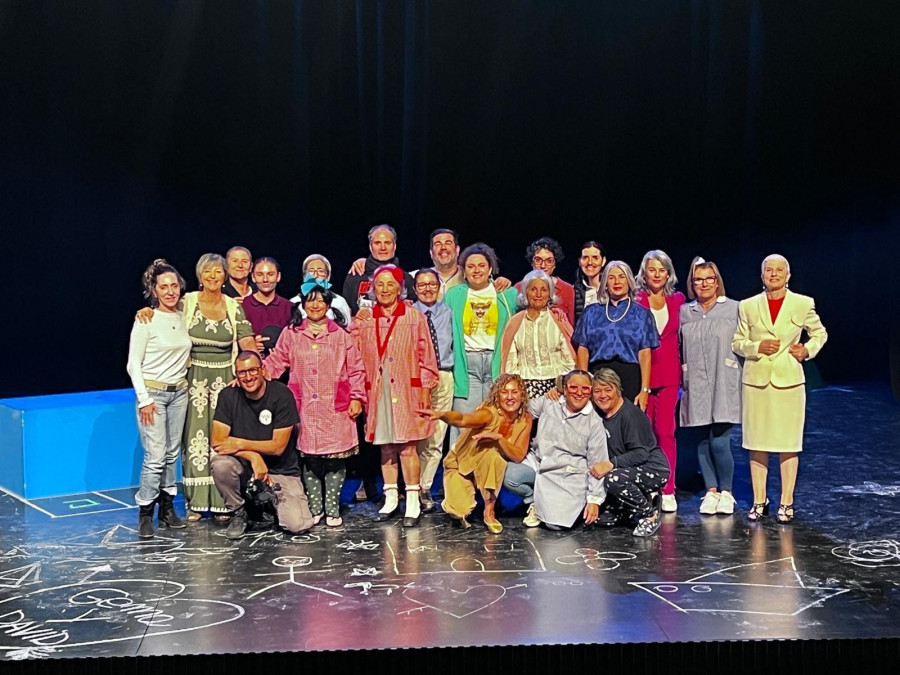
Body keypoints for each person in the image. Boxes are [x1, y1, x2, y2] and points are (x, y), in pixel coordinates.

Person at [137, 253, 259, 520]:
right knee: (193, 441)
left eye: (218, 271)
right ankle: (195, 503)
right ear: (199, 276)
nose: (213, 276)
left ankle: (223, 501)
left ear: (225, 276)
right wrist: (146, 309)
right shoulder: (187, 302)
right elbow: (162, 311)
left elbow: (247, 340)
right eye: (207, 272)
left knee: (220, 441)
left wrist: (254, 366)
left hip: (225, 381)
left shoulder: (232, 306)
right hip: (192, 382)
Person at [732, 254, 827, 523]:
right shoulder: (748, 306)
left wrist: (807, 349)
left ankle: (787, 501)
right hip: (757, 381)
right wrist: (756, 347)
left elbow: (820, 333)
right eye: (768, 270)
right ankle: (759, 500)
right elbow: (737, 342)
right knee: (756, 443)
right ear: (762, 276)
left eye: (779, 270)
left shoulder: (802, 303)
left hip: (789, 381)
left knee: (788, 443)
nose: (773, 274)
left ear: (788, 275)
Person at [264, 278, 365, 527]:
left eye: (321, 300)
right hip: (305, 407)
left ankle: (332, 509)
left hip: (335, 407)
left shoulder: (341, 335)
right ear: (304, 304)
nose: (316, 305)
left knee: (334, 459)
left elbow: (356, 371)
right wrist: (256, 374)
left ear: (328, 303)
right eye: (311, 301)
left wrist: (356, 398)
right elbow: (277, 361)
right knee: (311, 459)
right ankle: (315, 507)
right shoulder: (292, 333)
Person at [350, 264, 439, 527]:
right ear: (373, 290)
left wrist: (424, 388)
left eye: (391, 284)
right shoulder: (365, 319)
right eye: (380, 285)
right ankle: (390, 498)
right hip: (378, 390)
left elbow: (427, 356)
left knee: (408, 446)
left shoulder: (413, 317)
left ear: (400, 288)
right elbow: (352, 353)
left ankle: (412, 502)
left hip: (406, 389)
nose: (386, 289)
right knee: (386, 446)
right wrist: (356, 322)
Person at [211, 352, 315, 539]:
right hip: (246, 469)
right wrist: (254, 457)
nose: (248, 377)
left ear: (263, 370)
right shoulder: (228, 395)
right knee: (221, 464)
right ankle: (239, 512)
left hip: (281, 471)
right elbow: (218, 442)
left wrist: (240, 443)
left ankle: (269, 506)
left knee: (297, 525)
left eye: (252, 370)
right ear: (236, 375)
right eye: (242, 373)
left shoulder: (281, 394)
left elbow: (278, 447)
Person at [126, 259, 191, 538]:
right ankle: (145, 512)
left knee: (171, 454)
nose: (170, 291)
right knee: (155, 456)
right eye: (163, 287)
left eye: (174, 285)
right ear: (154, 290)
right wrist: (144, 399)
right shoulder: (146, 319)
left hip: (179, 393)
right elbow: (133, 364)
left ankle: (167, 510)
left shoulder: (185, 313)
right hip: (153, 394)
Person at [426, 374, 532, 532]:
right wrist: (442, 415)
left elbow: (517, 456)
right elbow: (462, 419)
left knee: (492, 456)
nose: (510, 397)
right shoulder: (488, 413)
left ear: (522, 395)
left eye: (514, 392)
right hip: (461, 466)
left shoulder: (525, 419)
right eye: (504, 392)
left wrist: (499, 438)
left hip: (487, 465)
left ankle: (489, 511)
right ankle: (455, 496)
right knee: (458, 510)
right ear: (497, 395)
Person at [505, 370, 608, 531]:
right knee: (510, 475)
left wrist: (594, 500)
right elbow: (521, 408)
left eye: (585, 389)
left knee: (555, 526)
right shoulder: (549, 402)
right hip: (539, 463)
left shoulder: (594, 423)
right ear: (565, 389)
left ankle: (549, 506)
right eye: (573, 387)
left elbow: (598, 462)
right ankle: (533, 501)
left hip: (567, 475)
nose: (579, 393)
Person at [679, 258, 742, 515]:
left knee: (720, 440)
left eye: (709, 279)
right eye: (698, 279)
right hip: (695, 381)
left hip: (724, 380)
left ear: (717, 282)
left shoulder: (735, 308)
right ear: (692, 283)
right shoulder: (685, 312)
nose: (703, 284)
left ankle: (727, 492)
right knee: (702, 440)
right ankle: (711, 491)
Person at [444, 243, 518, 445]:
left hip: (496, 364)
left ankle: (489, 471)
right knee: (463, 424)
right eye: (470, 266)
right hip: (467, 365)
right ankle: (457, 472)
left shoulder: (507, 294)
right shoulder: (453, 295)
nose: (476, 270)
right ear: (464, 271)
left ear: (490, 268)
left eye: (481, 265)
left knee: (495, 421)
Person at [588, 368, 670, 537]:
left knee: (613, 479)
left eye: (608, 389)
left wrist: (611, 464)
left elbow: (641, 453)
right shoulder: (598, 415)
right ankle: (625, 510)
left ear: (618, 390)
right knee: (604, 520)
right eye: (597, 391)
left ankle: (650, 513)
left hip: (652, 468)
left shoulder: (630, 415)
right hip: (626, 468)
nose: (602, 395)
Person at [635, 250, 685, 513]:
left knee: (665, 431)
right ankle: (647, 484)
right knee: (644, 434)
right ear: (644, 272)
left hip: (668, 375)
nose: (656, 274)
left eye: (661, 270)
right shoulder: (636, 299)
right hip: (641, 374)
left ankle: (667, 488)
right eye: (651, 269)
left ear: (668, 273)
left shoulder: (677, 300)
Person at [573, 261, 658, 410]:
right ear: (605, 282)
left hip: (630, 377)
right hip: (598, 376)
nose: (617, 282)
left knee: (628, 425)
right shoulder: (591, 313)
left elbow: (645, 354)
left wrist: (645, 390)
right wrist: (583, 384)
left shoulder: (642, 314)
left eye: (621, 277)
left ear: (629, 281)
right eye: (611, 278)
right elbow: (583, 350)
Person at [347, 228, 513, 301]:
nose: (443, 248)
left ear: (457, 249)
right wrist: (365, 262)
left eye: (448, 243)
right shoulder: (413, 278)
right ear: (430, 252)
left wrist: (501, 281)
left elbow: (489, 285)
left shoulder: (471, 275)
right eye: (437, 244)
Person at [412, 268, 455, 512]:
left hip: (443, 374)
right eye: (422, 284)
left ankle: (425, 486)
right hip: (417, 379)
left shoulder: (449, 312)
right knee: (417, 435)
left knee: (437, 435)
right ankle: (412, 486)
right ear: (415, 288)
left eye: (432, 284)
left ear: (439, 287)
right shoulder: (409, 313)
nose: (427, 288)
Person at [500, 270, 576, 399]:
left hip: (556, 388)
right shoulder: (515, 322)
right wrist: (518, 390)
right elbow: (509, 364)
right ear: (525, 292)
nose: (538, 294)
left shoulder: (558, 320)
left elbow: (570, 362)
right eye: (533, 289)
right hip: (524, 388)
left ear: (550, 294)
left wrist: (560, 388)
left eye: (544, 290)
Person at [342, 225, 416, 314]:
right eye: (377, 243)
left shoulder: (406, 278)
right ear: (370, 246)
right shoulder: (355, 275)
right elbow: (346, 312)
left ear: (395, 246)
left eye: (387, 243)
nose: (383, 248)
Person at [515, 237, 576, 325]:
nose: (543, 265)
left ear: (555, 263)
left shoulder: (567, 289)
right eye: (538, 260)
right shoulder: (519, 287)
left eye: (549, 261)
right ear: (532, 262)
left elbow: (570, 326)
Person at [242, 257, 293, 357]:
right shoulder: (242, 306)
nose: (265, 279)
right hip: (252, 365)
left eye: (270, 274)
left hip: (282, 366)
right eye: (260, 274)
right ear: (253, 277)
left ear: (278, 276)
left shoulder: (289, 307)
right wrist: (250, 345)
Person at [289, 254, 353, 322]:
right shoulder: (294, 302)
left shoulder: (339, 301)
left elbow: (347, 328)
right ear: (304, 276)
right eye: (311, 271)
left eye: (321, 271)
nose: (316, 275)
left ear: (328, 276)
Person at [573, 241, 607, 325]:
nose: (590, 262)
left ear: (603, 261)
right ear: (579, 262)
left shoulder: (611, 290)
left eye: (595, 257)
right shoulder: (573, 291)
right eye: (585, 258)